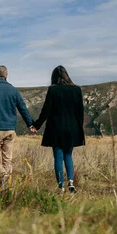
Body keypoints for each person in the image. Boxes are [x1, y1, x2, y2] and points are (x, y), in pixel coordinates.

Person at [30, 65, 85, 193]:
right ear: (67, 75)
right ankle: (71, 182)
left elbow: (46, 111)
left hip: (56, 128)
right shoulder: (76, 90)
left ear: (54, 77)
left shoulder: (53, 90)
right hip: (72, 128)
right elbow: (80, 112)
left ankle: (61, 187)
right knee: (68, 155)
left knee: (58, 156)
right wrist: (79, 128)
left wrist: (37, 125)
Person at [0, 65, 34, 185]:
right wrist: (30, 124)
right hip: (10, 129)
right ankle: (6, 186)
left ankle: (2, 176)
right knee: (7, 159)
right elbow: (23, 109)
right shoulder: (14, 90)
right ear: (6, 75)